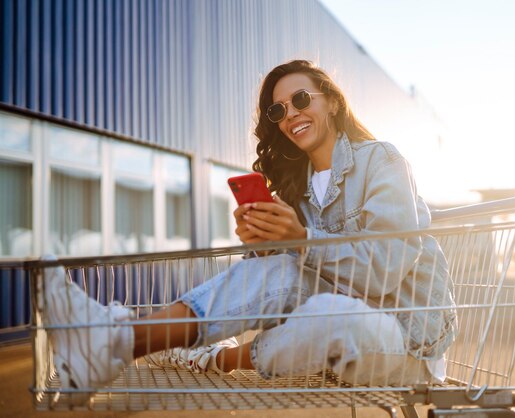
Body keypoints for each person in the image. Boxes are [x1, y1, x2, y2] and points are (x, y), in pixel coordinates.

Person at [42, 60, 457, 403]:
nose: (291, 114)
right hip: (336, 327)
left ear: (331, 102)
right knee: (280, 275)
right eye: (278, 111)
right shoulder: (297, 192)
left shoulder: (381, 160)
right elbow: (274, 286)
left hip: (405, 341)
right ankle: (112, 343)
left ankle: (216, 358)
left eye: (299, 99)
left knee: (323, 311)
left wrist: (302, 241)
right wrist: (264, 246)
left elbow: (387, 267)